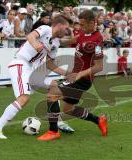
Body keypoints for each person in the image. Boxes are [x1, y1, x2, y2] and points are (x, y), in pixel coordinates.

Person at [0, 15, 72, 139]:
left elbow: (49, 64)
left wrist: (67, 74)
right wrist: (35, 44)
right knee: (23, 99)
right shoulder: (45, 29)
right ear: (58, 25)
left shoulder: (56, 43)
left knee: (54, 86)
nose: (66, 32)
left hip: (31, 69)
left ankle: (58, 122)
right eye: (66, 28)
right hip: (20, 64)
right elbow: (30, 36)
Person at [38, 10, 108, 141]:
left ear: (92, 23)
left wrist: (79, 74)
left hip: (82, 79)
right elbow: (68, 41)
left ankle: (53, 132)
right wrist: (52, 39)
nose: (80, 28)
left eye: (83, 25)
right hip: (76, 77)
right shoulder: (83, 33)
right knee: (69, 109)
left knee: (52, 94)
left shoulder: (97, 40)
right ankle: (99, 120)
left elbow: (99, 66)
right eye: (79, 25)